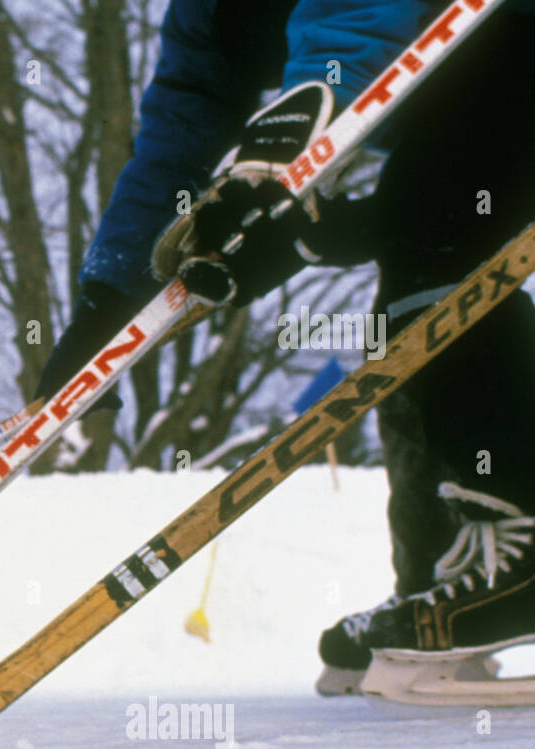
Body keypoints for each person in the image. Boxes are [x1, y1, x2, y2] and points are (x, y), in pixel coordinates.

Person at [35, 0, 535, 695]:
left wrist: (275, 170)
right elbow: (180, 128)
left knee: (434, 248)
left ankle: (522, 560)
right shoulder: (205, 18)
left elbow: (351, 24)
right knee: (416, 277)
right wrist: (105, 305)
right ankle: (446, 579)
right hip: (456, 97)